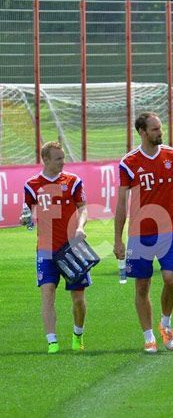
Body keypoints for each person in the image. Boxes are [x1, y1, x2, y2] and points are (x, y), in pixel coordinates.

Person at [114, 112, 173, 353]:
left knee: (171, 280)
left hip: (169, 231)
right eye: (154, 129)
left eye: (160, 128)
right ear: (142, 132)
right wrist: (117, 239)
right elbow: (121, 204)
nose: (159, 132)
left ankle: (165, 324)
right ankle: (148, 336)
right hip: (139, 234)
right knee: (142, 286)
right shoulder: (128, 163)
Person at [22, 142, 90, 353]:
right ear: (46, 160)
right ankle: (52, 342)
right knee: (47, 292)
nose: (63, 161)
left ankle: (77, 334)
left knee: (78, 299)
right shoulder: (32, 185)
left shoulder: (72, 181)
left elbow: (83, 208)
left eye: (63, 157)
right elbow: (27, 212)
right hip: (45, 250)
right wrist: (25, 219)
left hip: (72, 249)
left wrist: (80, 227)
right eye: (58, 158)